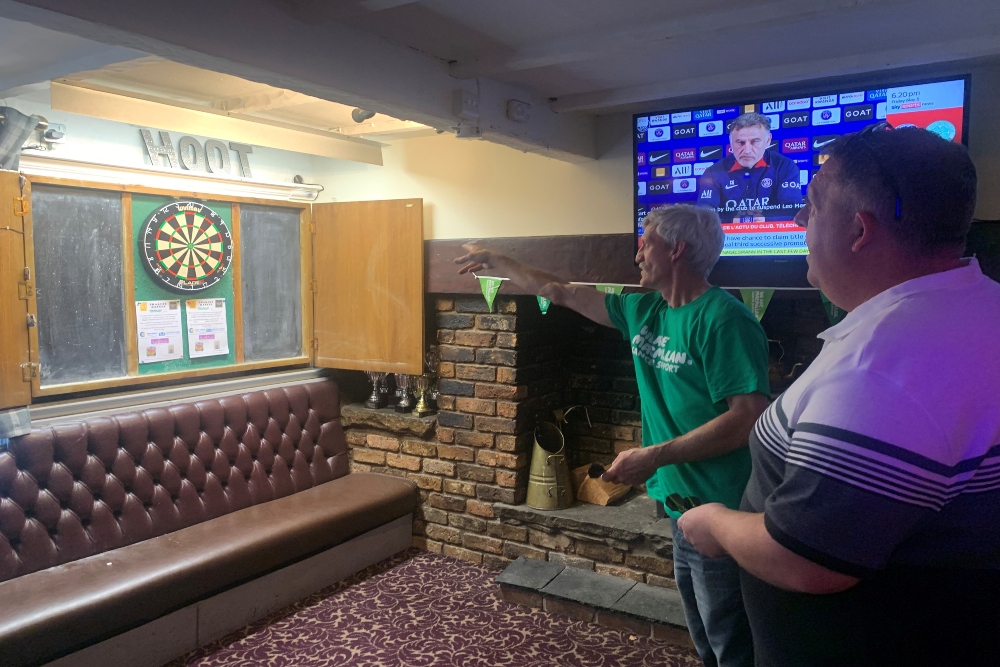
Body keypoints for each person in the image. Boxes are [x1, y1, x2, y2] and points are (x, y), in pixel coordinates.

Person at [677, 125, 1000, 666]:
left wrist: (712, 522)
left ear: (857, 229)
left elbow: (808, 560)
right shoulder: (977, 304)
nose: (801, 221)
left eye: (812, 204)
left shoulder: (882, 371)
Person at [455, 205, 770, 667]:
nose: (638, 253)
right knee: (704, 632)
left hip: (723, 507)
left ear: (677, 249)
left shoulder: (725, 319)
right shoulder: (642, 309)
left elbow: (747, 418)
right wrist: (499, 261)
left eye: (646, 243)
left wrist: (654, 457)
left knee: (731, 639)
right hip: (680, 503)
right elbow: (559, 291)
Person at [697, 112, 802, 219]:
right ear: (731, 142)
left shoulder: (784, 166)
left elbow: (792, 212)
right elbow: (703, 217)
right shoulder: (713, 173)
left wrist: (766, 220)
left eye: (755, 142)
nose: (747, 151)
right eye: (740, 142)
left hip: (774, 235)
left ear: (768, 141)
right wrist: (733, 223)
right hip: (727, 235)